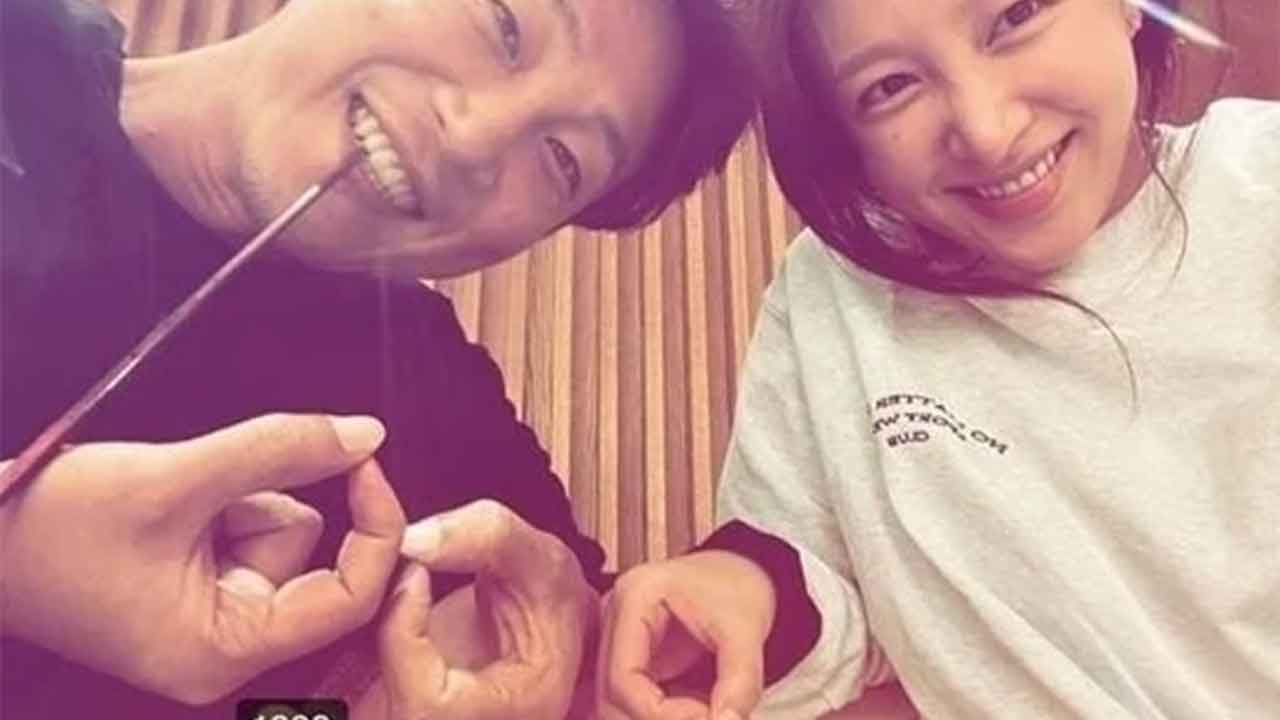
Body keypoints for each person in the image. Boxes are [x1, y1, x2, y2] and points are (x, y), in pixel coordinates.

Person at [0, 0, 755, 717]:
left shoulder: (432, 413)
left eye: (562, 159)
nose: (472, 139)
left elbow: (609, 642)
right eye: (504, 23)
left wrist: (369, 707)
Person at [597, 0, 1280, 718]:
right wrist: (742, 588)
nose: (986, 130)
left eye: (1016, 15)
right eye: (890, 87)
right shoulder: (837, 302)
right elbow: (818, 595)